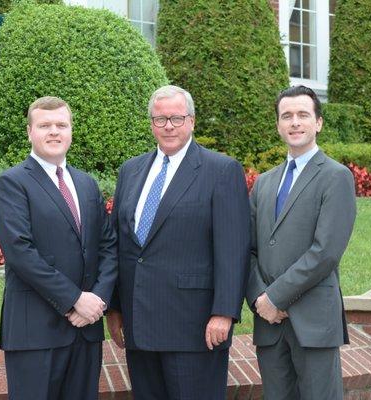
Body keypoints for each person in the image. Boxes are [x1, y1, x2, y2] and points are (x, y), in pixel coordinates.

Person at [106, 85, 250, 399]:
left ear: (192, 121)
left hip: (194, 326)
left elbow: (233, 249)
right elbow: (120, 244)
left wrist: (224, 312)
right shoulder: (130, 171)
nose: (168, 126)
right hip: (139, 323)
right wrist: (115, 308)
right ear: (151, 124)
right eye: (160, 119)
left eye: (176, 118)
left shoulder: (221, 170)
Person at [0, 96, 117, 400]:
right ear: (30, 132)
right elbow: (21, 254)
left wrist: (98, 298)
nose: (54, 132)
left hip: (85, 331)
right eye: (44, 125)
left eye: (61, 125)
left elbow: (108, 245)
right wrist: (74, 299)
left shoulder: (87, 184)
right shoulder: (12, 184)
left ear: (71, 131)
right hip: (36, 333)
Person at [247, 85, 356, 400]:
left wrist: (275, 297)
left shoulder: (336, 177)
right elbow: (248, 250)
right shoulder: (264, 183)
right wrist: (259, 300)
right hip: (269, 325)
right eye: (287, 116)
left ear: (318, 123)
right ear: (279, 125)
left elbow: (325, 253)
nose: (295, 122)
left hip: (313, 324)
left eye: (303, 115)